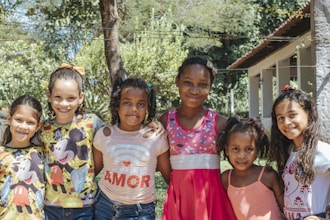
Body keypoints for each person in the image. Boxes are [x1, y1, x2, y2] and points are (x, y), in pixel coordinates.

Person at [160, 56, 236, 220]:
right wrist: (177, 185)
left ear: (210, 87)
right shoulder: (166, 120)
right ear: (177, 81)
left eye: (203, 85)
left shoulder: (220, 123)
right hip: (179, 198)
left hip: (211, 198)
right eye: (188, 82)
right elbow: (162, 162)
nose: (195, 90)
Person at [92, 77, 171, 220]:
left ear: (148, 107)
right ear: (117, 105)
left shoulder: (157, 137)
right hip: (104, 206)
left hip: (140, 211)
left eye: (141, 104)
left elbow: (169, 177)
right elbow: (92, 172)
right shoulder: (103, 135)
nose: (134, 109)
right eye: (127, 103)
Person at [41, 64, 105, 220]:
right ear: (49, 96)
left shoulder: (92, 123)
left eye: (71, 98)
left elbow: (115, 139)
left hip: (85, 207)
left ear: (81, 97)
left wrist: (149, 125)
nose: (64, 103)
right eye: (58, 97)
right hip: (51, 207)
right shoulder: (42, 128)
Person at [270, 85, 330, 220]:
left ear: (308, 114)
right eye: (280, 118)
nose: (286, 122)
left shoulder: (321, 151)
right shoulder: (289, 152)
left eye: (292, 115)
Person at [218, 117, 284, 220]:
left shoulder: (268, 175)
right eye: (236, 149)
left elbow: (285, 207)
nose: (242, 155)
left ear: (257, 150)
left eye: (249, 149)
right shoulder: (226, 179)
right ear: (227, 149)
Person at [0, 95, 44, 219]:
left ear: (38, 126)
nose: (23, 126)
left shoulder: (43, 153)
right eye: (19, 120)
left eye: (30, 122)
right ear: (9, 119)